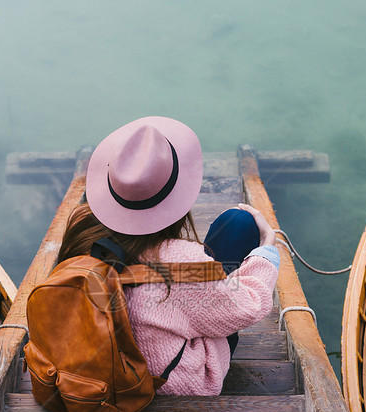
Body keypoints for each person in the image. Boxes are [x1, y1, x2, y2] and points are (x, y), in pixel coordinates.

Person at [57, 116, 279, 395]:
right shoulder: (185, 262)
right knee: (239, 224)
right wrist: (266, 253)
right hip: (169, 385)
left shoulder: (81, 228)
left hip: (91, 375)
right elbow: (249, 306)